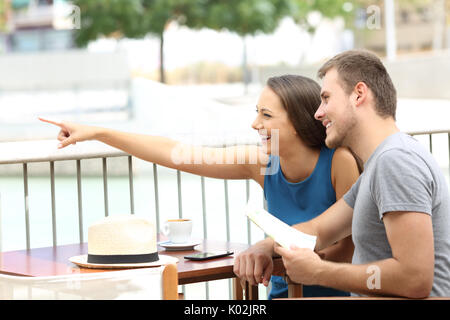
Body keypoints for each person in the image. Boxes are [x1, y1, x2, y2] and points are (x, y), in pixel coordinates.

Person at [39, 74, 361, 298]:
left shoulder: (339, 162)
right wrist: (99, 133)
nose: (254, 124)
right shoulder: (264, 163)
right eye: (256, 113)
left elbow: (345, 251)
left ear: (299, 123)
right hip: (281, 295)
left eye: (266, 115)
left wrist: (266, 247)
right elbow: (177, 154)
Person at [273, 50, 450, 298]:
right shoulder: (379, 164)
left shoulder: (395, 161)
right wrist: (264, 248)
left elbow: (415, 278)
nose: (318, 113)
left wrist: (318, 272)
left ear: (358, 94)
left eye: (326, 98)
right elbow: (321, 230)